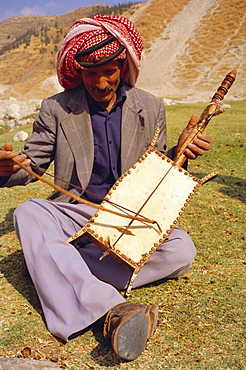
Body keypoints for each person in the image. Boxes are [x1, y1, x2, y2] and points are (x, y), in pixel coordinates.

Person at [0, 15, 211, 361]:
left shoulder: (151, 107)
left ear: (121, 65)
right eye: (90, 73)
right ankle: (110, 310)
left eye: (108, 71)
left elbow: (157, 172)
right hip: (75, 212)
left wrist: (179, 154)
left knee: (181, 251)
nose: (99, 82)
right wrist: (8, 168)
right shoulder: (56, 108)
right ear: (79, 72)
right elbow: (31, 163)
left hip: (127, 216)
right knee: (29, 212)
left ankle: (51, 264)